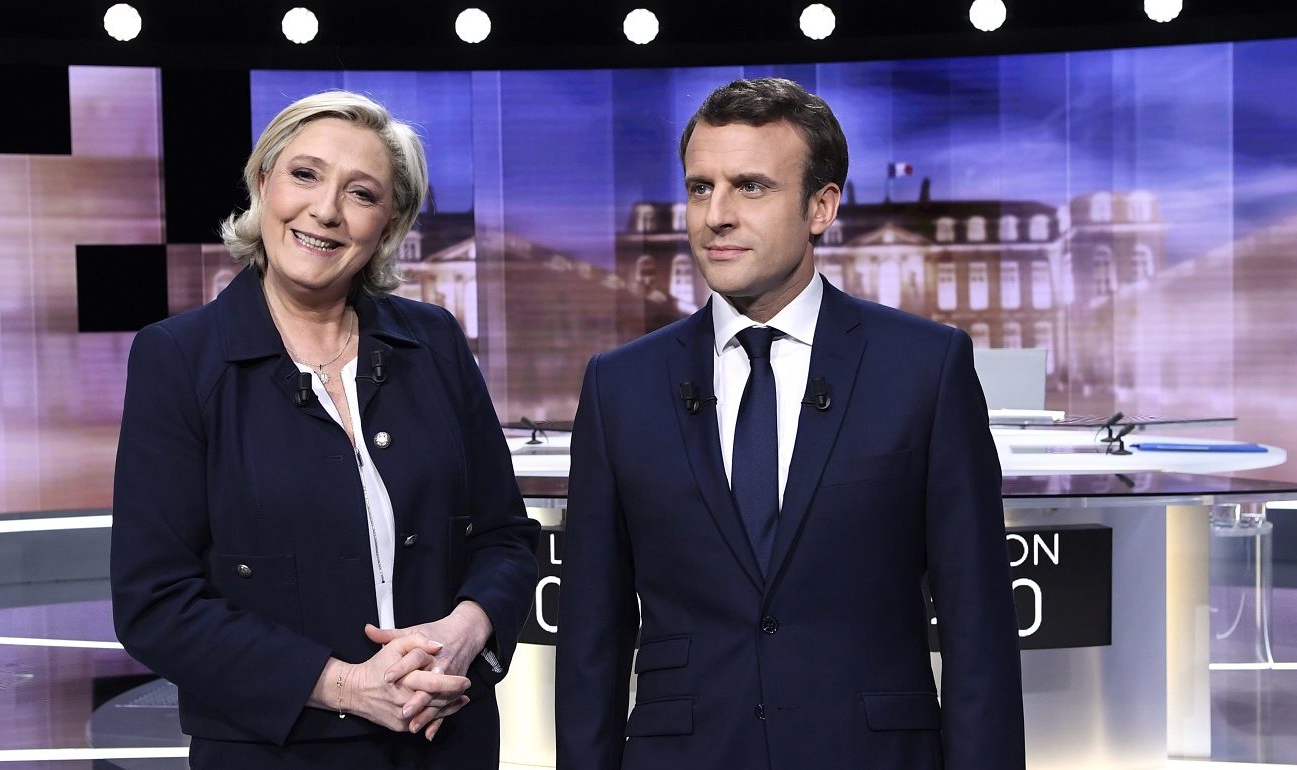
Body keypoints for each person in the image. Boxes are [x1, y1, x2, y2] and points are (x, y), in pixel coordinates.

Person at [557, 77, 1025, 770]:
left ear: (821, 207)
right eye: (699, 188)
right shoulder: (618, 386)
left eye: (750, 187)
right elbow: (590, 638)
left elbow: (978, 624)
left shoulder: (924, 368)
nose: (715, 215)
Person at [110, 90, 541, 769]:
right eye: (305, 175)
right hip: (277, 754)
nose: (326, 210)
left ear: (389, 223)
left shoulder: (433, 342)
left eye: (361, 193)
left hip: (447, 743)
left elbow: (505, 539)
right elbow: (156, 602)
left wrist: (465, 632)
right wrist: (348, 687)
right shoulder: (179, 358)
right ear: (263, 184)